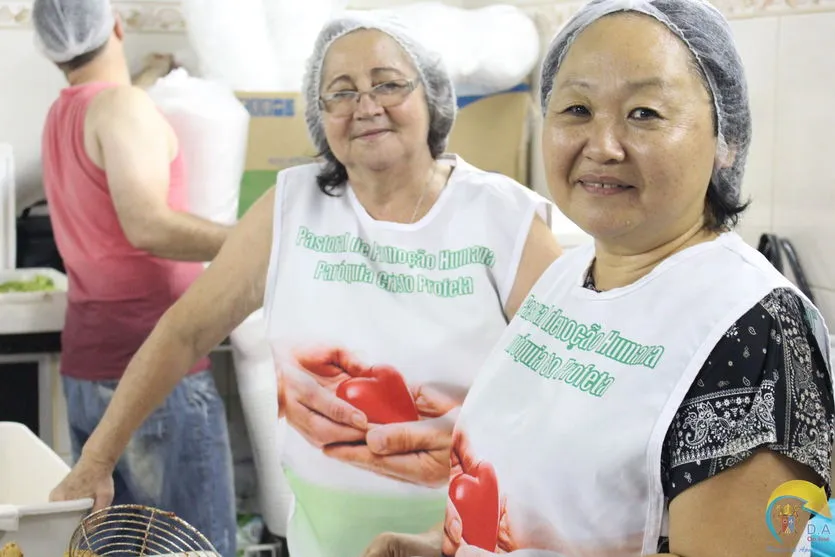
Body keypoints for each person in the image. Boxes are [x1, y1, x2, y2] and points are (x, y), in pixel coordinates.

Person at [47, 12, 564, 557]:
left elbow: (566, 400)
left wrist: (449, 539)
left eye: (387, 83)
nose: (366, 105)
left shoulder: (503, 219)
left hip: (469, 541)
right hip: (323, 542)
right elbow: (184, 332)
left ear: (432, 95)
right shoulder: (292, 207)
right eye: (340, 93)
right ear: (320, 118)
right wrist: (95, 462)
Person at [362, 0, 835, 556]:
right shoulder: (570, 275)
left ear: (724, 140)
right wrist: (443, 545)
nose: (603, 146)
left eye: (645, 113)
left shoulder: (752, 330)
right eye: (577, 109)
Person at [31, 1, 237, 556]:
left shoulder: (66, 113)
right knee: (193, 547)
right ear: (118, 26)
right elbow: (146, 224)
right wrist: (249, 243)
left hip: (90, 368)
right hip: (153, 373)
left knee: (115, 548)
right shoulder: (123, 108)